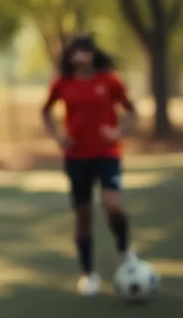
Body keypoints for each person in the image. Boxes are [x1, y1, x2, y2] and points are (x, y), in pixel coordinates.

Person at [41, 34, 140, 296]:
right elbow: (46, 111)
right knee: (83, 217)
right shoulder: (62, 84)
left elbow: (131, 111)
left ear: (93, 54)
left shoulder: (109, 81)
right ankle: (88, 274)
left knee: (113, 205)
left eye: (84, 50)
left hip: (107, 154)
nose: (79, 55)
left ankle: (124, 248)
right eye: (75, 51)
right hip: (76, 158)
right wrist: (58, 137)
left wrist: (118, 132)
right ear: (70, 56)